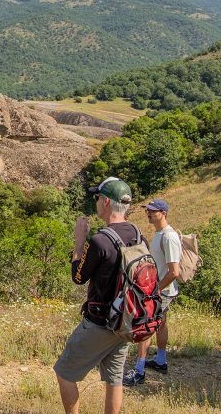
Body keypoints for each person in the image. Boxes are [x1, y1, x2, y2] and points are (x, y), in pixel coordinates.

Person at [54, 176, 138, 414]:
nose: (96, 202)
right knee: (114, 379)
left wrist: (79, 243)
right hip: (125, 319)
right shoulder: (137, 233)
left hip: (100, 322)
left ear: (106, 202)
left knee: (64, 371)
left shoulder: (100, 240)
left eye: (98, 198)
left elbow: (78, 277)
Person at [124, 199, 180, 386]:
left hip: (161, 291)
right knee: (161, 324)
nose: (148, 213)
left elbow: (174, 271)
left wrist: (154, 290)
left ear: (163, 213)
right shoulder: (160, 234)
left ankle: (139, 371)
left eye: (153, 211)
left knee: (146, 327)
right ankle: (161, 361)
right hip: (162, 290)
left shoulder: (168, 237)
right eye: (147, 210)